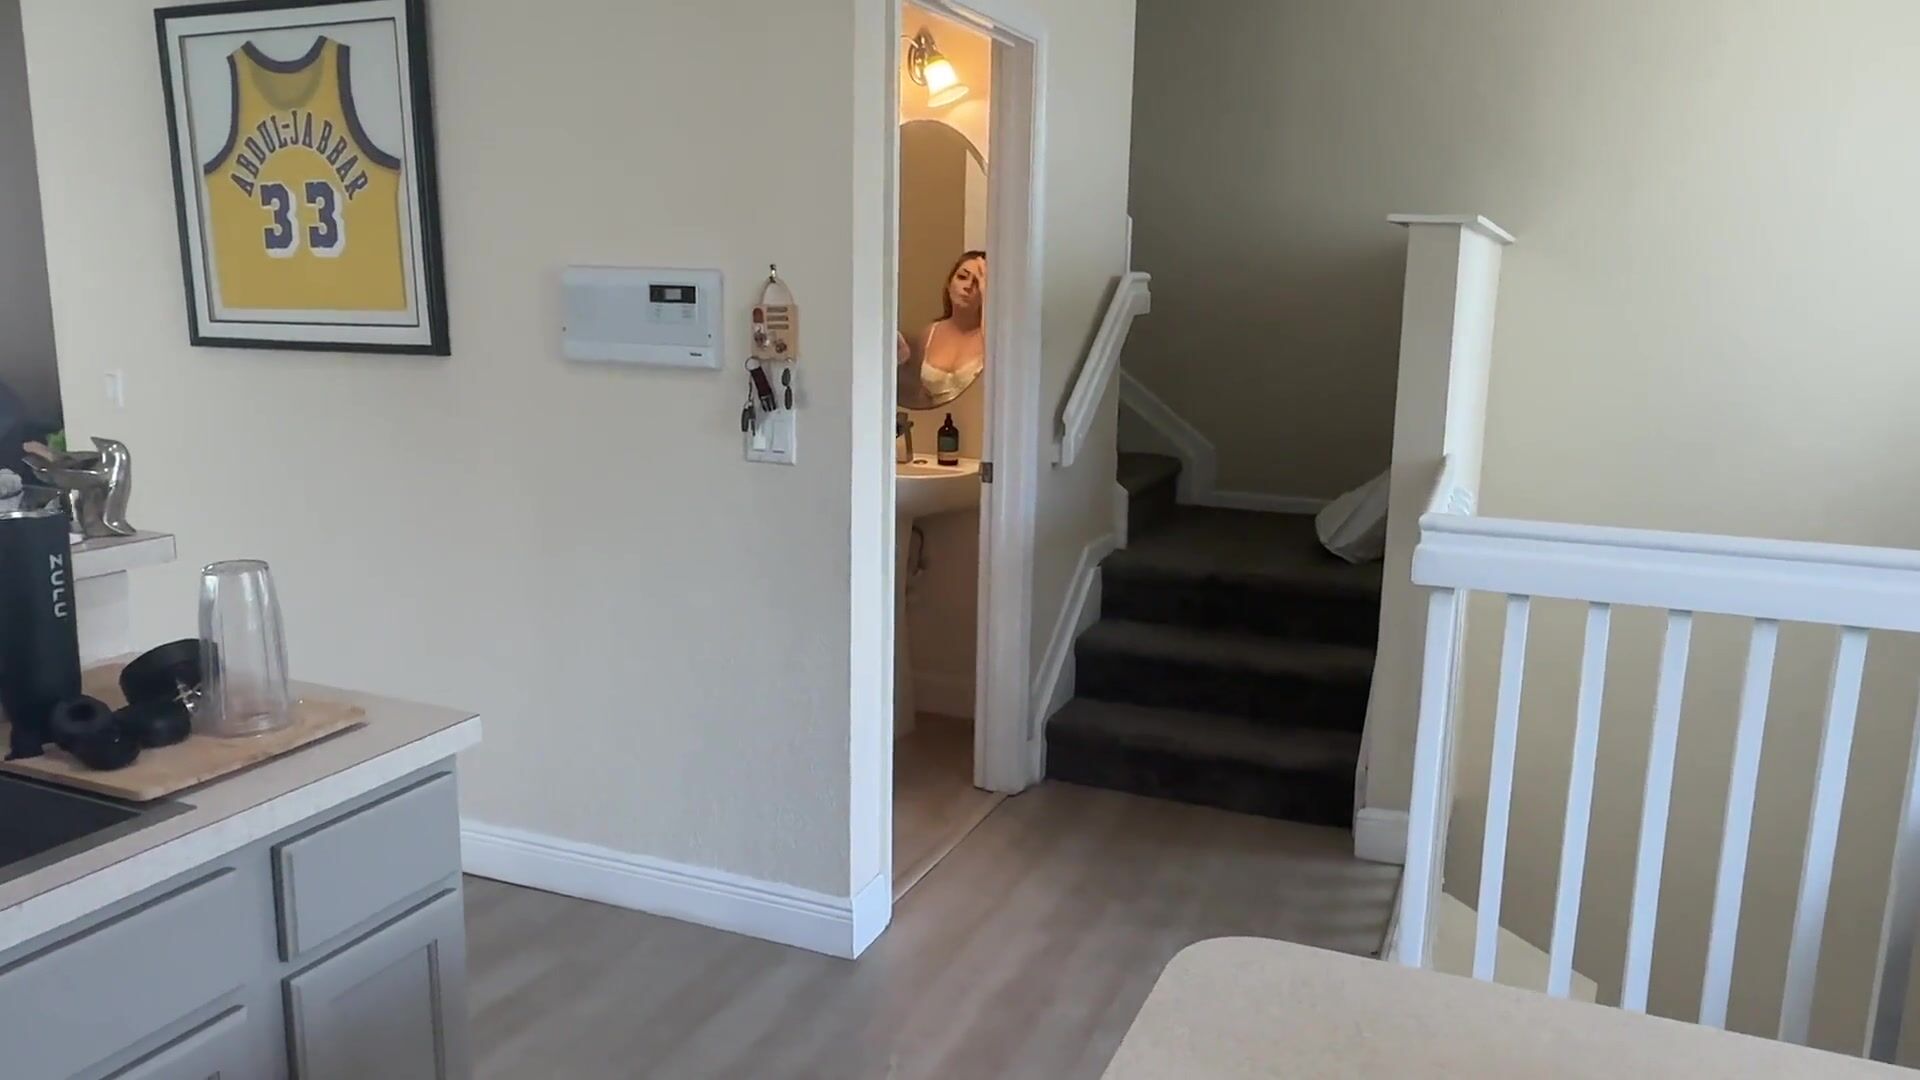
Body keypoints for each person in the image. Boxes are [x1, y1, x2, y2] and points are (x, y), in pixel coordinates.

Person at [897, 250, 986, 409]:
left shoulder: (991, 338)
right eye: (962, 277)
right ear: (949, 284)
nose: (967, 286)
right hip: (937, 422)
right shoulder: (929, 334)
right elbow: (917, 398)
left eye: (977, 282)